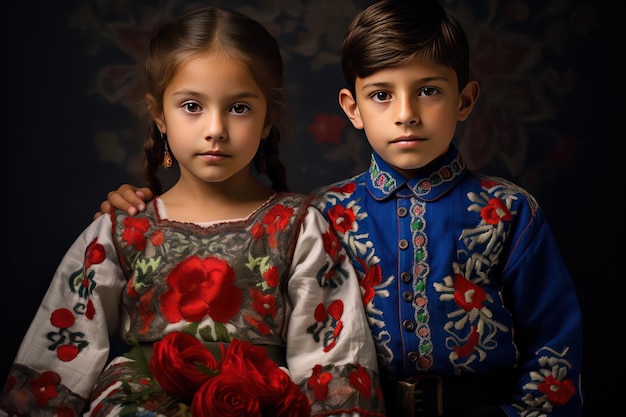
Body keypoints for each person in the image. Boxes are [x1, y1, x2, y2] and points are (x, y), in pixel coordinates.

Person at [92, 1, 584, 416]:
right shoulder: (318, 215)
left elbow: (553, 340)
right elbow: (280, 334)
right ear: (352, 107)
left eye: (429, 90)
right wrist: (138, 217)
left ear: (466, 99)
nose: (406, 113)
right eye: (382, 95)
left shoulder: (507, 210)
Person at [0, 6, 386, 417]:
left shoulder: (297, 226)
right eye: (191, 106)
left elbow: (332, 355)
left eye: (239, 108)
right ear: (158, 115)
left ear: (268, 118)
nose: (215, 128)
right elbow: (60, 350)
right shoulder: (124, 227)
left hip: (259, 402)